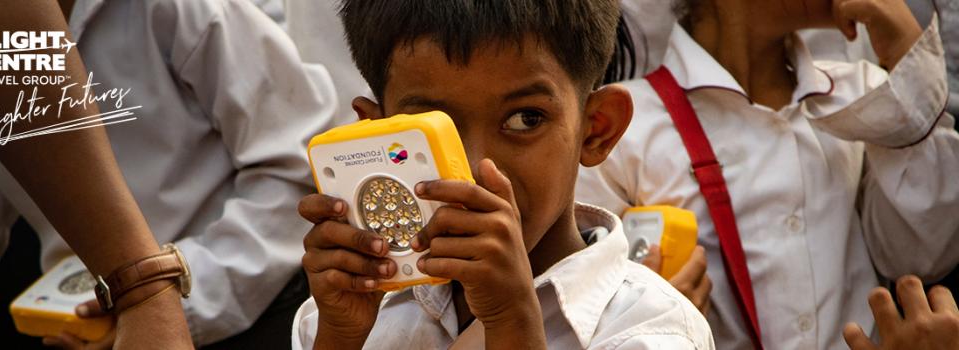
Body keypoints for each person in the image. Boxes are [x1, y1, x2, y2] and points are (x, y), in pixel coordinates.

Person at [291, 0, 715, 348]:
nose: (478, 169)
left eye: (527, 119)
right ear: (375, 134)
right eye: (436, 128)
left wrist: (512, 323)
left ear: (596, 130)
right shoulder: (341, 317)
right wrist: (341, 339)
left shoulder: (650, 331)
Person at [0, 0, 337, 347]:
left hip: (260, 309)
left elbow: (298, 165)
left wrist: (165, 300)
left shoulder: (177, 9)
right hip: (91, 319)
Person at [576, 0, 958, 348]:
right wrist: (646, 323)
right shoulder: (620, 126)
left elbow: (923, 256)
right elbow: (581, 310)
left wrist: (912, 71)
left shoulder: (865, 94)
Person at [0, 1, 194, 348]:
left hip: (231, 306)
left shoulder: (180, 10)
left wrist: (152, 298)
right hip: (80, 316)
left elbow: (278, 166)